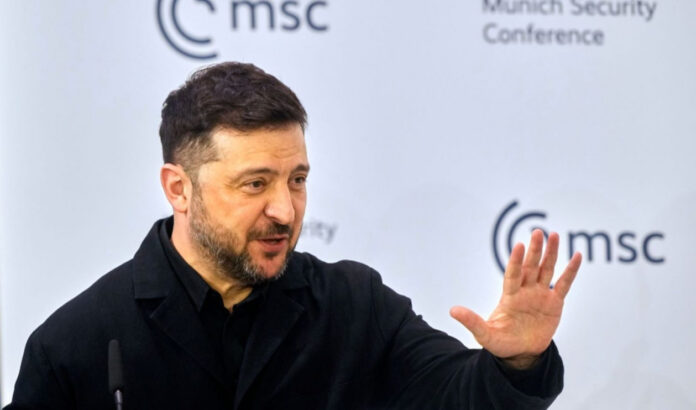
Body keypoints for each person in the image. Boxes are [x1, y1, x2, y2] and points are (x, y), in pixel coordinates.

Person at [5, 62, 581, 410]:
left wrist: (518, 361)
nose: (285, 210)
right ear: (179, 189)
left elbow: (458, 395)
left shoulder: (356, 306)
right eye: (255, 184)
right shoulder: (76, 344)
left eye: (297, 180)